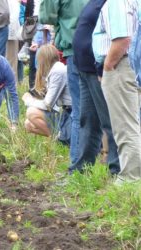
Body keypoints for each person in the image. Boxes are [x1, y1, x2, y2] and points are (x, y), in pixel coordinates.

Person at [92, 0, 141, 184]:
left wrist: (108, 65)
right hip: (131, 64)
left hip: (121, 66)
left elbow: (123, 38)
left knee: (125, 126)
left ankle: (131, 178)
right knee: (132, 123)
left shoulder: (117, 2)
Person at [70, 0, 120, 175]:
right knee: (88, 121)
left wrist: (104, 66)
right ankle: (81, 170)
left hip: (98, 70)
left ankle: (116, 170)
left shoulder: (114, 3)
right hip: (84, 69)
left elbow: (116, 37)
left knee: (109, 121)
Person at [39, 0, 88, 167]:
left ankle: (77, 166)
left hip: (74, 49)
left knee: (78, 111)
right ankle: (104, 162)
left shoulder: (57, 70)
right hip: (96, 49)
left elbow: (46, 16)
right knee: (95, 109)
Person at [22, 45, 71, 141]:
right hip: (65, 111)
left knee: (31, 112)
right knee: (28, 124)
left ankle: (58, 139)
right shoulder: (56, 70)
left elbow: (48, 104)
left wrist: (29, 101)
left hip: (70, 112)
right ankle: (59, 136)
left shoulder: (57, 71)